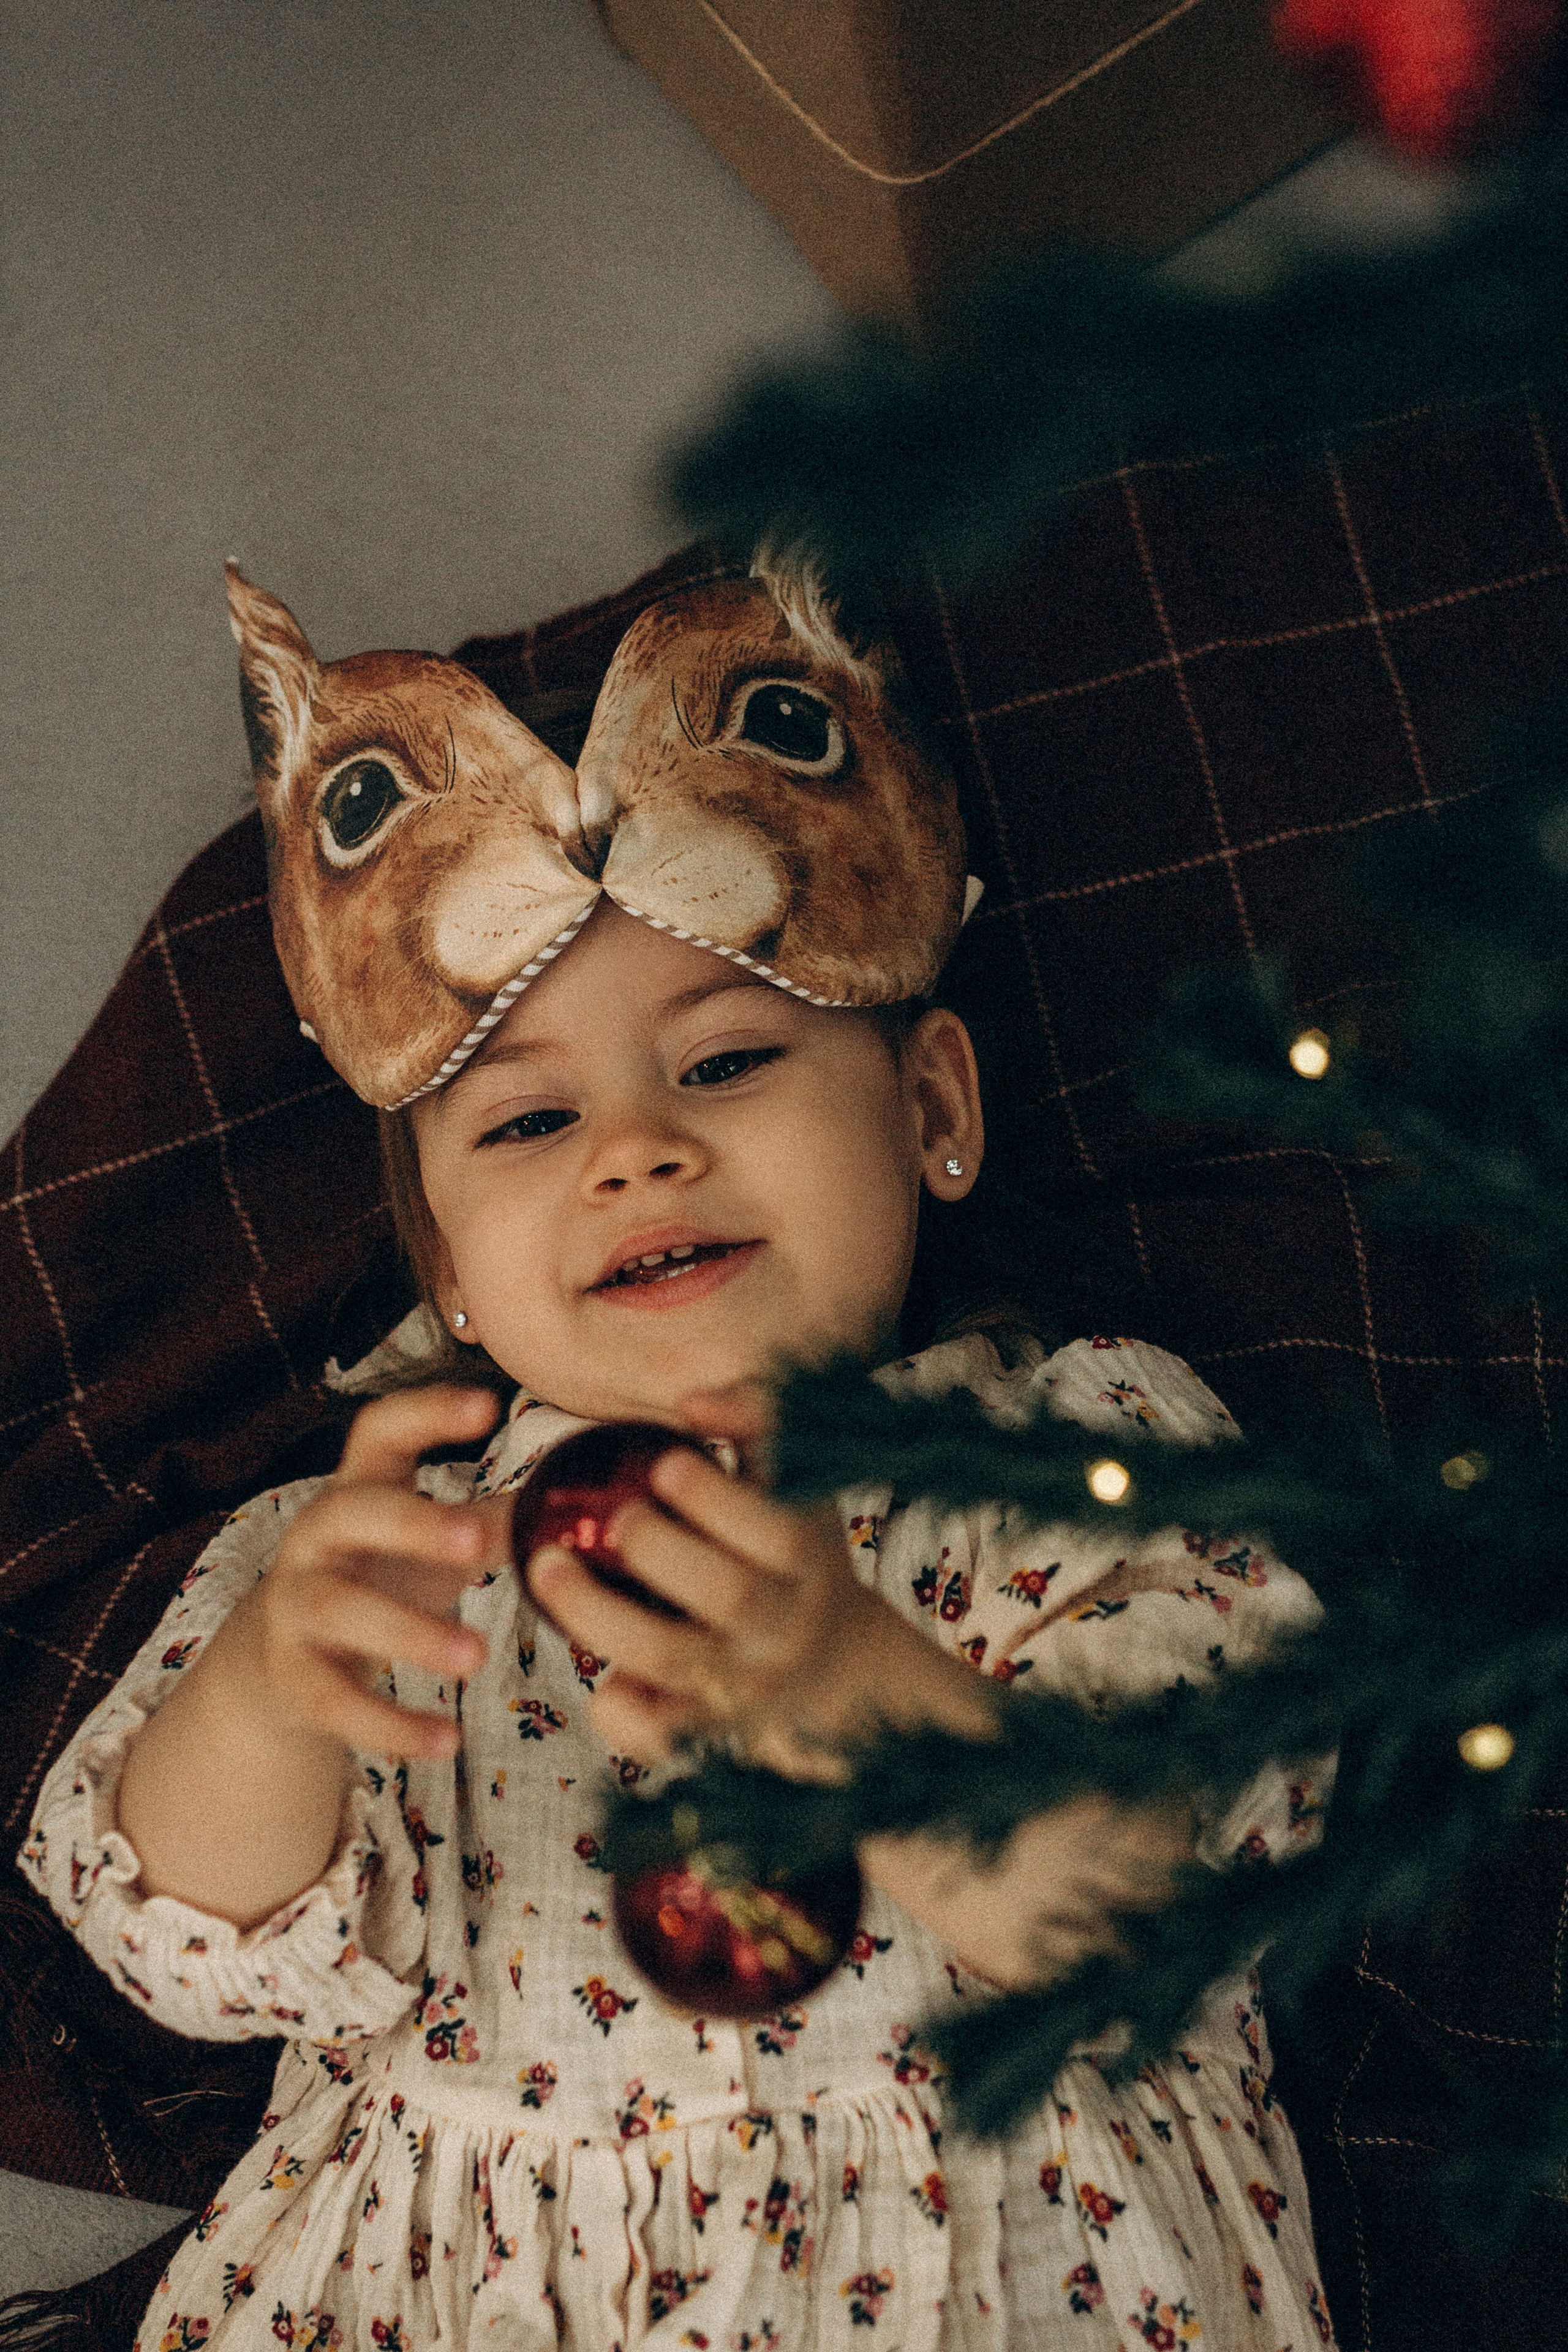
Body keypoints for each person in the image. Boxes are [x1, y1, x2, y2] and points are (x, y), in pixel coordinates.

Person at [20, 559, 1336, 2351]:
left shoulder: (1080, 1461)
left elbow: (1149, 1917)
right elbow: (181, 1946)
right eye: (535, 1120)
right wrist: (261, 1701)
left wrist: (860, 1689)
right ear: (452, 1280)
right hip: (459, 2278)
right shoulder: (385, 1549)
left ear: (933, 1110)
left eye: (724, 1062)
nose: (631, 1152)